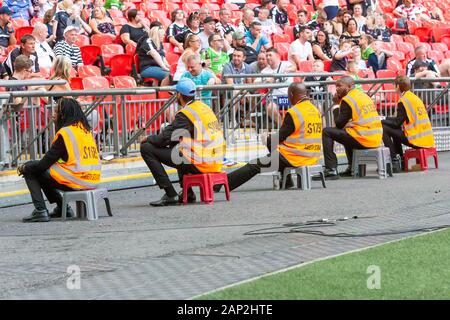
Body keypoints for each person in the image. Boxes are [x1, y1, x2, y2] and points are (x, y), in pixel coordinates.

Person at [140, 78, 225, 206]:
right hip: (216, 159)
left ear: (179, 95)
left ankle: (170, 194)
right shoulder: (203, 107)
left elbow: (165, 139)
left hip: (203, 161)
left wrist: (148, 139)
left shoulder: (186, 113)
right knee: (179, 146)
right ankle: (188, 192)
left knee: (147, 148)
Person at [223, 82, 322, 191]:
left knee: (254, 164)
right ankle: (287, 180)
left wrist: (266, 139)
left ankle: (223, 183)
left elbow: (278, 138)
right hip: (312, 155)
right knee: (276, 149)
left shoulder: (294, 112)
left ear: (292, 94)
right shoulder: (315, 109)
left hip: (295, 157)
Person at [17, 98, 101, 222]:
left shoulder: (66, 133)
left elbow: (43, 164)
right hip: (93, 179)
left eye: (56, 112)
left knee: (31, 168)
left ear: (63, 114)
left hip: (78, 180)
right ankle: (63, 208)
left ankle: (40, 210)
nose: (53, 115)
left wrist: (24, 168)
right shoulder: (84, 130)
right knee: (45, 173)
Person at [321, 76, 382, 179]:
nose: (337, 88)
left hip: (364, 138)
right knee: (347, 132)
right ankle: (351, 167)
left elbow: (339, 124)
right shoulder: (363, 95)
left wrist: (336, 105)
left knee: (327, 132)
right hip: (376, 137)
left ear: (349, 86)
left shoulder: (348, 99)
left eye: (339, 86)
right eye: (336, 86)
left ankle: (330, 170)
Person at [382, 76, 435, 170]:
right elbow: (398, 120)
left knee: (384, 128)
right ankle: (400, 160)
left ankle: (395, 161)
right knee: (395, 130)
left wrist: (381, 120)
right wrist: (385, 118)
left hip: (416, 139)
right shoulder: (414, 97)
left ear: (398, 86)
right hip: (427, 138)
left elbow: (396, 123)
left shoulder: (403, 101)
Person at [254, 48, 296, 126]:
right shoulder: (265, 71)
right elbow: (255, 83)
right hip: (275, 98)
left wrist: (284, 72)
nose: (268, 57)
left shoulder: (285, 64)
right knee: (270, 107)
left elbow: (294, 68)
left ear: (277, 56)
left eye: (270, 55)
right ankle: (282, 126)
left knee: (299, 107)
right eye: (267, 55)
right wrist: (266, 81)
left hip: (289, 96)